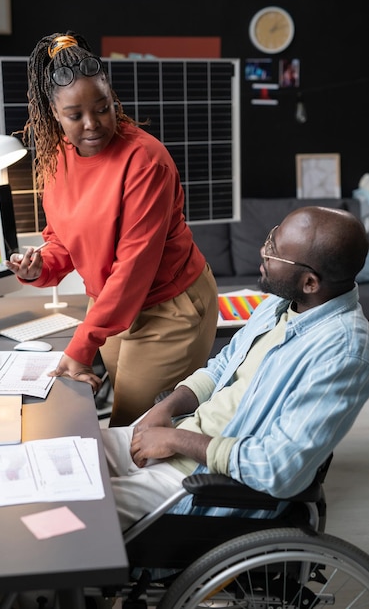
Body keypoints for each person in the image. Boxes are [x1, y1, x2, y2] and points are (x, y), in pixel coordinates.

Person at [100, 206, 369, 531]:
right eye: (272, 237)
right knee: (60, 462)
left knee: (72, 515)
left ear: (310, 282)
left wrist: (176, 440)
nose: (263, 251)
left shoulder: (343, 352)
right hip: (175, 436)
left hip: (201, 484)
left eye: (275, 253)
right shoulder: (279, 304)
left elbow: (278, 468)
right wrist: (168, 408)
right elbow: (222, 367)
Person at [5, 31, 218, 426]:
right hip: (114, 307)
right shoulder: (57, 161)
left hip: (170, 308)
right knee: (116, 415)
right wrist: (41, 267)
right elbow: (62, 240)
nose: (92, 124)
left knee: (133, 430)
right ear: (55, 114)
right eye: (75, 115)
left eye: (102, 108)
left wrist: (81, 346)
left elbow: (133, 268)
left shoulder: (144, 162)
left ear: (112, 99)